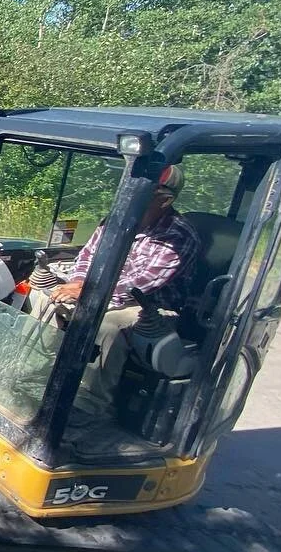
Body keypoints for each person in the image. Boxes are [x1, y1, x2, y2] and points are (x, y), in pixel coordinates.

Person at [28, 164, 201, 406]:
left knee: (111, 325)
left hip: (151, 307)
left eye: (139, 195)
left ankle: (92, 403)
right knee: (49, 298)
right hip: (102, 290)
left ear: (164, 200)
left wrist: (86, 292)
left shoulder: (178, 235)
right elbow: (88, 256)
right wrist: (78, 282)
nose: (128, 199)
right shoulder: (116, 220)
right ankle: (32, 373)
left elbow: (142, 283)